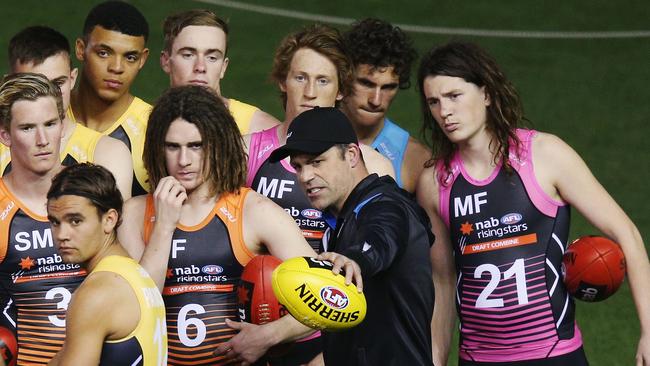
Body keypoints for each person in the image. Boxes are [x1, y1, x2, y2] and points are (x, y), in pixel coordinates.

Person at [415, 41, 650, 365]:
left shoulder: (545, 155)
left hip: (553, 355)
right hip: (478, 359)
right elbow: (442, 279)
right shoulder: (435, 182)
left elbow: (628, 234)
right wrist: (436, 359)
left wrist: (649, 330)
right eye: (434, 102)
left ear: (486, 93)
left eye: (454, 95)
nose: (445, 111)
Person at [117, 86, 342, 365]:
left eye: (196, 146)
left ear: (217, 143)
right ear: (156, 148)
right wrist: (163, 226)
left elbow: (331, 301)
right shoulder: (135, 213)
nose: (184, 160)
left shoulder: (254, 211)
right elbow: (136, 309)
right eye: (173, 147)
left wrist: (269, 336)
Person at [270, 107, 435, 366]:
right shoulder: (341, 220)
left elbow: (381, 237)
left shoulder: (387, 205)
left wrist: (356, 259)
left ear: (351, 155)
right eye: (298, 166)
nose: (306, 176)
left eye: (316, 162)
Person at [246, 23, 395, 253]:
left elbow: (381, 250)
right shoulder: (246, 151)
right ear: (283, 82)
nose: (310, 92)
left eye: (323, 80)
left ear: (340, 91)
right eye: (300, 78)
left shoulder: (374, 165)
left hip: (335, 287)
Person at [0, 73, 86, 365]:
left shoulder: (94, 192)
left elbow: (125, 282)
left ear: (63, 125)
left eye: (50, 124)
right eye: (27, 128)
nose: (42, 140)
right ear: (5, 135)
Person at [46, 163, 167, 366]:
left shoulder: (97, 293)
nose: (62, 235)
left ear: (109, 220)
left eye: (75, 221)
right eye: (55, 222)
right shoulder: (134, 273)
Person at [2, 25, 134, 199]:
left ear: (72, 79)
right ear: (11, 84)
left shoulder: (108, 153)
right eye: (34, 85)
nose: (48, 94)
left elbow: (115, 224)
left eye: (57, 84)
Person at [70, 0, 151, 196]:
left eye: (130, 57)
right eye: (104, 53)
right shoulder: (44, 119)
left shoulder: (155, 129)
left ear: (142, 59)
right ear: (81, 49)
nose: (117, 67)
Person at [340, 18, 430, 194]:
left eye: (388, 87)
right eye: (366, 83)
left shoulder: (415, 159)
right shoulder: (305, 136)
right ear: (344, 77)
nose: (376, 100)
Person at [161, 9, 280, 134]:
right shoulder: (143, 126)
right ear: (166, 61)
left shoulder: (262, 131)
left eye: (212, 58)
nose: (200, 67)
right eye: (188, 55)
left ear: (224, 67)